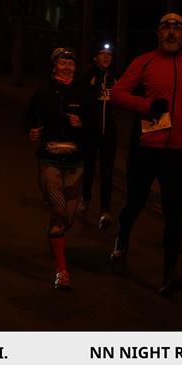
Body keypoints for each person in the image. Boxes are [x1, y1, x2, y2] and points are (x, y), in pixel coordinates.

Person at [109, 12, 182, 296]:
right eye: (166, 27)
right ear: (158, 34)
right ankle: (121, 244)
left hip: (176, 152)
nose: (171, 32)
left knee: (174, 214)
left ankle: (168, 275)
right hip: (146, 149)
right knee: (135, 202)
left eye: (177, 28)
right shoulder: (144, 61)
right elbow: (117, 94)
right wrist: (147, 105)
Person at [24, 47, 93, 290]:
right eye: (63, 63)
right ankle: (61, 271)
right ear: (54, 66)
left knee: (68, 218)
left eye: (71, 64)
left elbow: (96, 123)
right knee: (58, 211)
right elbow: (29, 118)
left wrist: (82, 123)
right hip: (49, 159)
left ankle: (57, 237)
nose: (67, 67)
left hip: (75, 161)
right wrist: (32, 131)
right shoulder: (43, 91)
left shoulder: (84, 91)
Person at [77, 41, 118, 231]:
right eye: (102, 53)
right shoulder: (87, 75)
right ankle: (85, 199)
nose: (106, 56)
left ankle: (105, 210)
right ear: (95, 57)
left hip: (109, 133)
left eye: (109, 54)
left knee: (107, 171)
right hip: (90, 131)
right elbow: (80, 100)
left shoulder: (114, 77)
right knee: (89, 168)